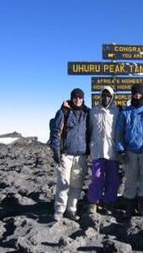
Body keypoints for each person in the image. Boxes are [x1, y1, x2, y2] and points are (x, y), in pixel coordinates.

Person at [116, 83, 143, 218]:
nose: (138, 96)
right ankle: (129, 207)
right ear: (132, 95)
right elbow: (119, 133)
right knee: (130, 180)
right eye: (135, 94)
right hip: (130, 151)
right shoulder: (125, 112)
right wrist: (121, 150)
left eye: (140, 93)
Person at [49, 88, 90, 221]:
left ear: (83, 99)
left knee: (76, 184)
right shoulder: (64, 112)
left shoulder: (87, 113)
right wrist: (56, 150)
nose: (78, 100)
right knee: (63, 183)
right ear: (71, 98)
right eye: (75, 97)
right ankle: (60, 210)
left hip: (81, 155)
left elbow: (90, 133)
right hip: (66, 154)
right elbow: (56, 132)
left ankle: (71, 210)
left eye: (80, 97)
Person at [87, 86, 120, 214]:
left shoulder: (116, 112)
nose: (106, 98)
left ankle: (109, 202)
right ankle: (94, 201)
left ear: (112, 97)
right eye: (104, 95)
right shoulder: (93, 111)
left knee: (113, 178)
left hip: (112, 150)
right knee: (97, 177)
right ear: (100, 96)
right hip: (97, 149)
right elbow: (89, 129)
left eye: (108, 96)